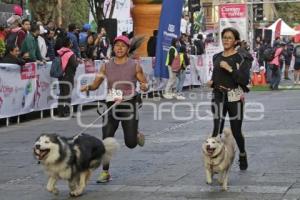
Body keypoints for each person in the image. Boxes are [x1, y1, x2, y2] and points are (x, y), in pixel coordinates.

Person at [80, 35, 148, 183]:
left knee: (130, 143)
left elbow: (144, 82)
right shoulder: (106, 65)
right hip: (111, 105)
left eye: (122, 46)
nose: (119, 48)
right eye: (117, 45)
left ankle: (135, 134)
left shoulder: (134, 65)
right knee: (106, 139)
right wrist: (88, 87)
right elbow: (96, 84)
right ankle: (105, 172)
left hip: (129, 104)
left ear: (127, 49)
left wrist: (144, 86)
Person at [208, 27, 252, 171]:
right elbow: (216, 77)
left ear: (236, 41)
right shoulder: (216, 57)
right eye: (224, 37)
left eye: (229, 38)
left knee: (236, 131)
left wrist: (230, 69)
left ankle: (243, 153)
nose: (226, 40)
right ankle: (214, 162)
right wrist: (212, 82)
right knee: (216, 129)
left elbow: (244, 80)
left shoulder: (241, 58)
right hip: (218, 96)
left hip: (234, 97)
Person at [57, 37, 78, 117]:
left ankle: (60, 111)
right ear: (69, 44)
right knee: (68, 94)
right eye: (71, 42)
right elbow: (74, 65)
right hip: (68, 75)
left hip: (61, 75)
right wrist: (78, 61)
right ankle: (67, 112)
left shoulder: (60, 52)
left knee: (62, 94)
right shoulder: (70, 53)